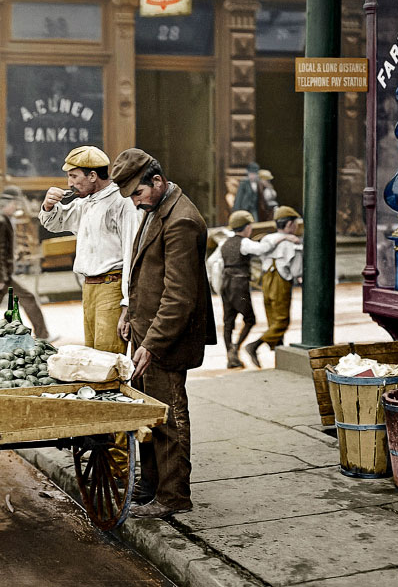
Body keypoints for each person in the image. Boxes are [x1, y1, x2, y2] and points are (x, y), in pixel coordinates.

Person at [111, 148, 216, 519]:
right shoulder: (158, 209)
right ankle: (149, 485)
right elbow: (146, 272)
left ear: (157, 181)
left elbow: (178, 297)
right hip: (146, 330)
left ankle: (173, 497)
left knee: (169, 416)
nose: (136, 203)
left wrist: (151, 345)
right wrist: (129, 312)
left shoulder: (181, 220)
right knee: (147, 412)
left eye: (138, 194)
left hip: (166, 339)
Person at [38, 145, 140, 354]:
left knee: (108, 358)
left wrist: (127, 304)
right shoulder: (86, 203)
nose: (70, 183)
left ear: (93, 175)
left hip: (111, 286)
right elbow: (55, 223)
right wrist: (48, 205)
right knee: (93, 356)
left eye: (74, 176)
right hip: (90, 288)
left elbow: (133, 254)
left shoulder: (121, 202)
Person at [0, 186, 50, 340]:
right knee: (28, 298)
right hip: (1, 276)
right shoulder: (0, 222)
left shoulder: (1, 220)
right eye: (15, 204)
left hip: (0, 274)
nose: (16, 207)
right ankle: (43, 335)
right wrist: (0, 279)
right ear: (6, 204)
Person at [243, 206, 303, 368]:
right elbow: (297, 269)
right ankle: (254, 345)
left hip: (266, 281)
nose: (296, 227)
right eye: (295, 223)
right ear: (289, 224)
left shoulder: (267, 239)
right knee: (282, 320)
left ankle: (278, 354)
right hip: (280, 281)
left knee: (272, 319)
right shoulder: (292, 244)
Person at [219, 210, 260, 368]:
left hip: (225, 283)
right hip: (239, 284)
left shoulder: (224, 243)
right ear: (247, 227)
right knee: (250, 319)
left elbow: (213, 261)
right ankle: (236, 347)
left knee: (228, 321)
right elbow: (262, 249)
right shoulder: (245, 243)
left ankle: (230, 355)